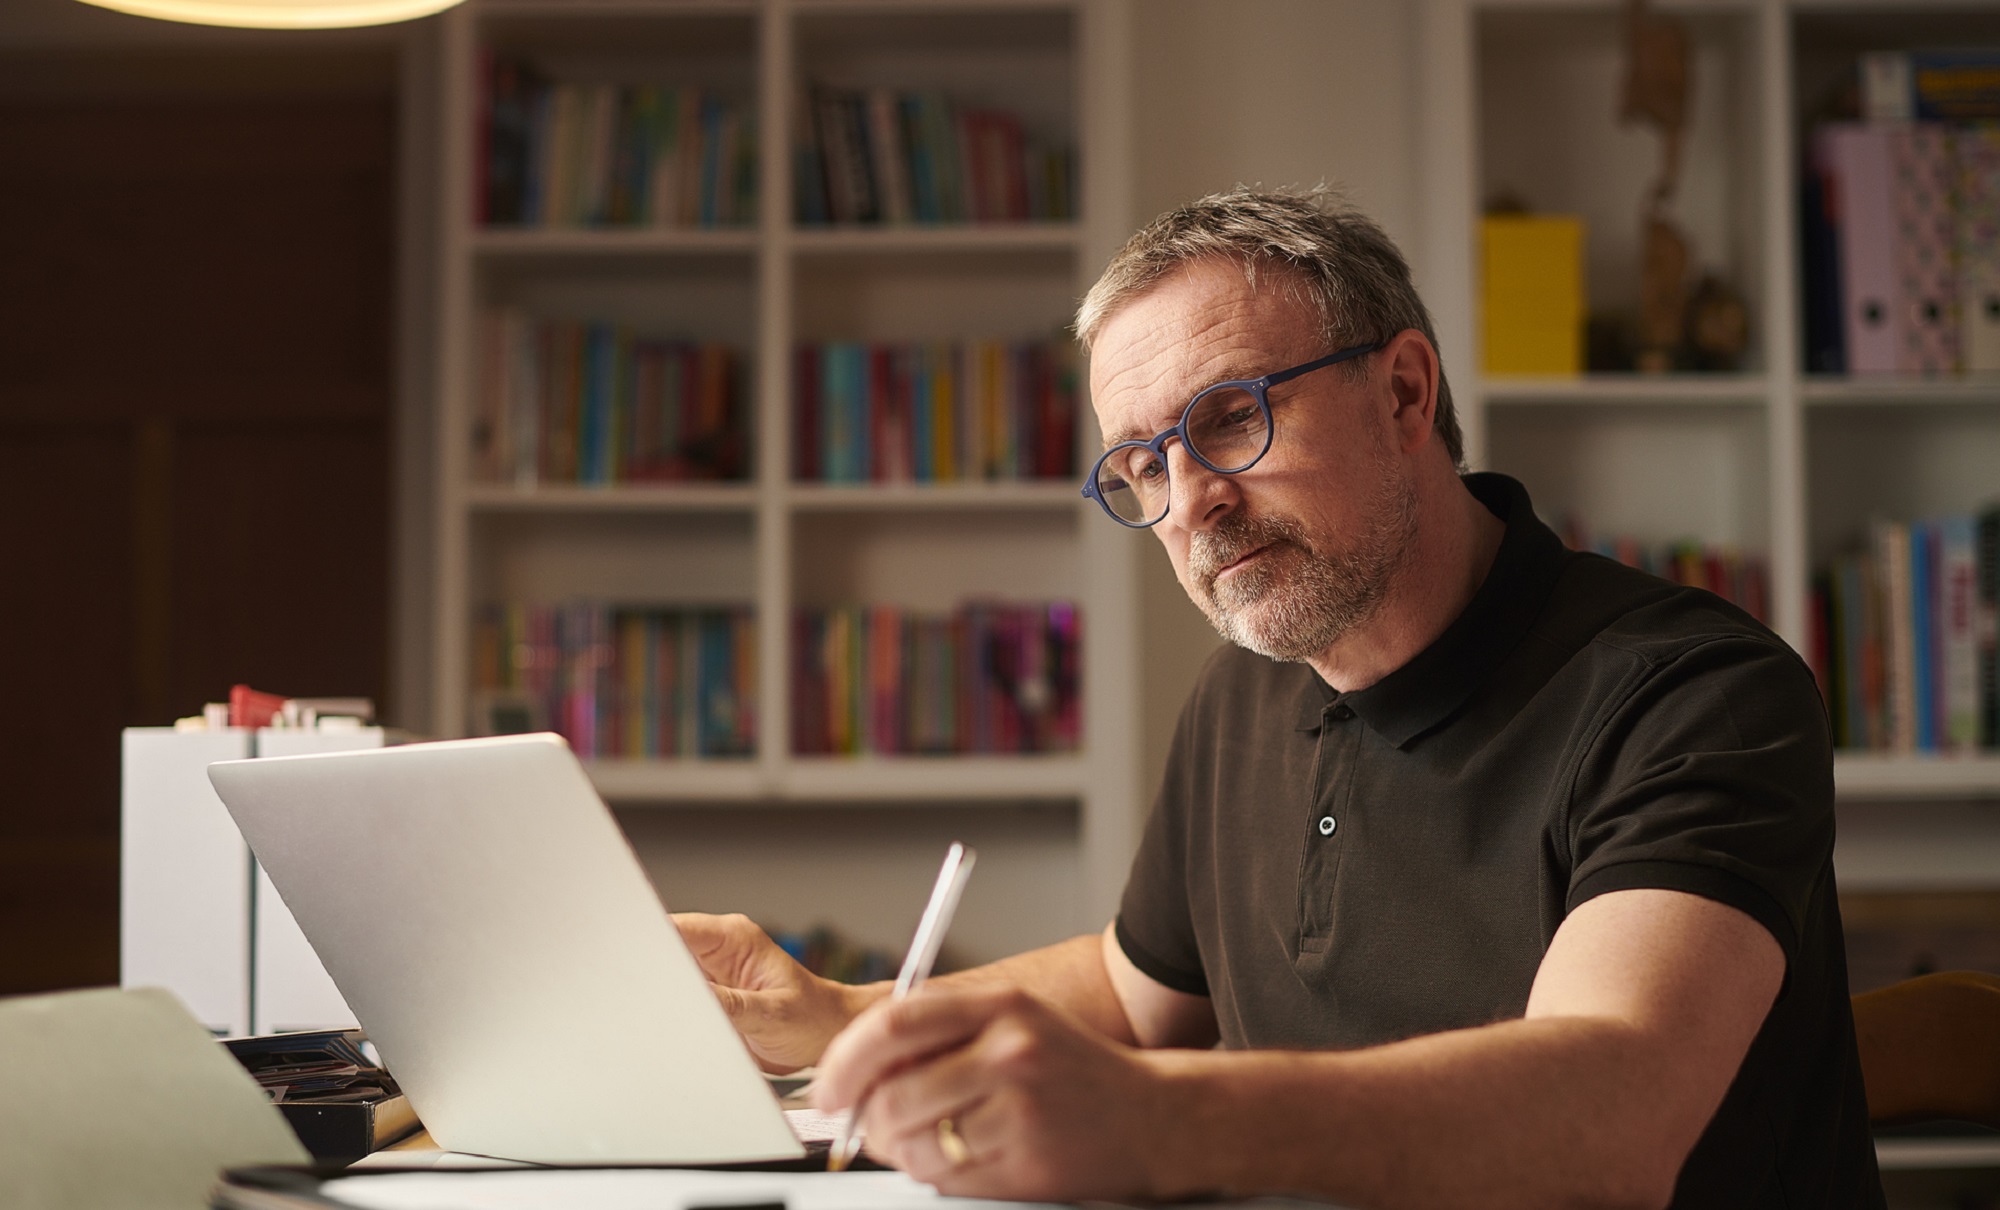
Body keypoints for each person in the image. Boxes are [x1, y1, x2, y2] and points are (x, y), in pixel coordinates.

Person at [675, 188, 1882, 1209]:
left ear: (1404, 394)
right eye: (1142, 463)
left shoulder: (1691, 693)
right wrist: (843, 1015)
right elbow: (1135, 995)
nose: (1189, 500)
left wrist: (1158, 1121)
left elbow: (1612, 1108)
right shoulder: (1243, 696)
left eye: (1230, 419)